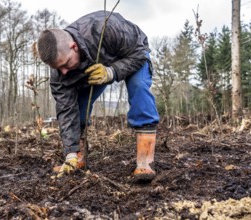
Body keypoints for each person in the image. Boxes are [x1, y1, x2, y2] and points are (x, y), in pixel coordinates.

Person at [37, 10, 160, 181]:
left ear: (74, 47)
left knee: (139, 88)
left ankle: (145, 162)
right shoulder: (60, 72)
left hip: (131, 54)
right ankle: (77, 158)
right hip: (92, 66)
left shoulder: (106, 27)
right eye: (58, 68)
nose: (63, 71)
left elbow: (138, 53)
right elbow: (66, 111)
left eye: (65, 64)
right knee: (77, 108)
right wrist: (70, 154)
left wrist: (112, 72)